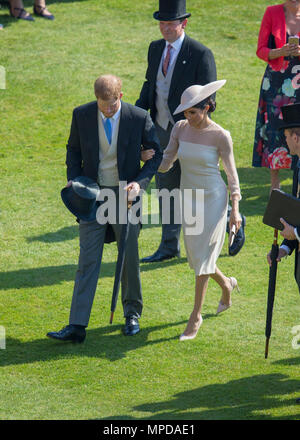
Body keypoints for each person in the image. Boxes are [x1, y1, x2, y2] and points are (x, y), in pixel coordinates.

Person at [47, 75, 162, 343]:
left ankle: (132, 314)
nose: (107, 110)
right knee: (87, 259)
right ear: (96, 98)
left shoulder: (138, 117)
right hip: (93, 195)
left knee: (128, 256)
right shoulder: (82, 114)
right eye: (102, 104)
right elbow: (73, 150)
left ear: (120, 96)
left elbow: (155, 154)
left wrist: (139, 183)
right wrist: (74, 178)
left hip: (126, 197)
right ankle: (77, 325)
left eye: (111, 104)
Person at [136, 0, 245, 262]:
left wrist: (194, 125)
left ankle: (236, 219)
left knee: (203, 187)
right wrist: (138, 118)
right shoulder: (154, 49)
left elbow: (211, 97)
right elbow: (151, 85)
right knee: (166, 188)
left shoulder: (200, 53)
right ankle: (169, 245)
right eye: (161, 23)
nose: (165, 28)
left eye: (170, 23)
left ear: (183, 23)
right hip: (161, 128)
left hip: (194, 133)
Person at [158, 81, 242, 341]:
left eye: (193, 112)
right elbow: (166, 162)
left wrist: (235, 210)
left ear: (207, 107)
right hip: (189, 197)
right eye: (186, 113)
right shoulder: (181, 129)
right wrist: (144, 161)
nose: (188, 117)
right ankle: (227, 284)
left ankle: (195, 317)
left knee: (203, 260)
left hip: (214, 200)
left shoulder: (220, 135)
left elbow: (231, 175)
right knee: (197, 259)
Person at [266, 102, 300, 405]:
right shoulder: (299, 165)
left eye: (287, 136)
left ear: (297, 137)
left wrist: (296, 235)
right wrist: (287, 247)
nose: (285, 142)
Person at [252, 1, 300, 191]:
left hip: (298, 82)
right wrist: (280, 51)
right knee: (274, 129)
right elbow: (261, 49)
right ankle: (275, 185)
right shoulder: (272, 12)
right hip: (275, 82)